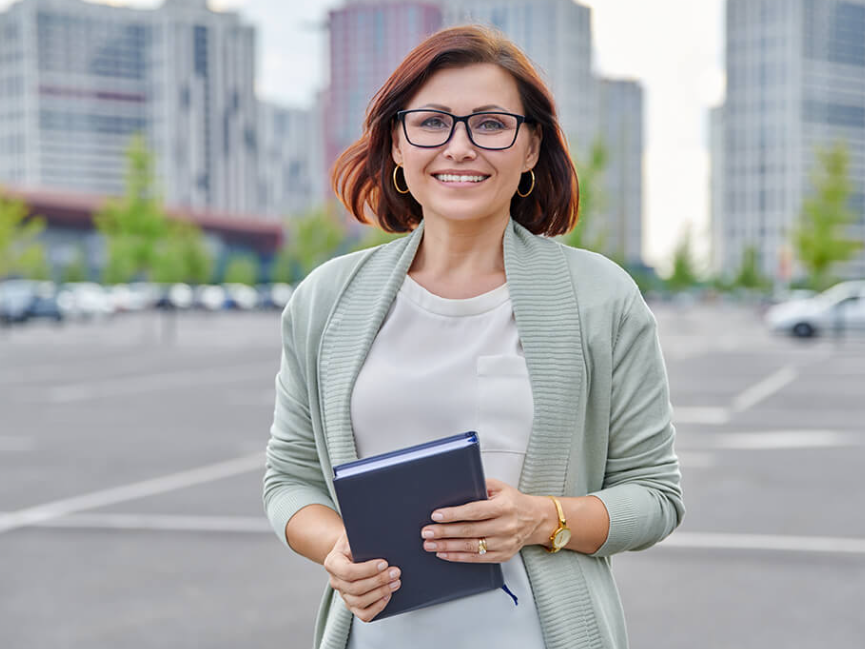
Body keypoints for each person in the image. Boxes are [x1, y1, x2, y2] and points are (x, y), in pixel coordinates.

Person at [263, 24, 684, 649]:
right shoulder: (327, 300)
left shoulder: (601, 297)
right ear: (397, 147)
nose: (459, 147)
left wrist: (543, 518)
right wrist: (336, 548)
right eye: (432, 123)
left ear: (531, 147)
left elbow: (656, 494)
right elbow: (289, 481)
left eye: (490, 124)